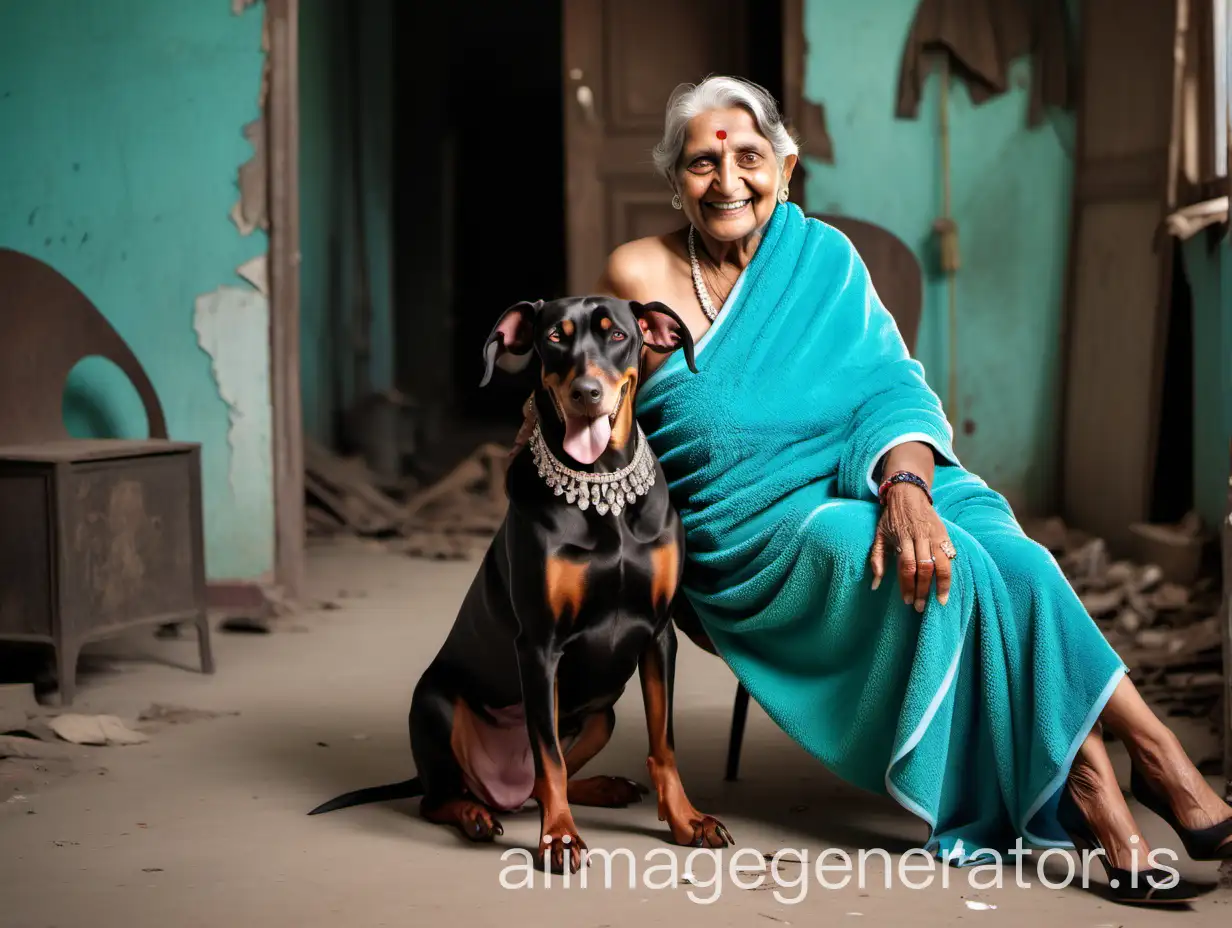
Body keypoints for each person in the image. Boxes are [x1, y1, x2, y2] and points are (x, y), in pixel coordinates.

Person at [509, 76, 1231, 905]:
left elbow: (892, 387)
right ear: (676, 180)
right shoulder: (638, 270)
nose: (728, 179)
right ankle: (1101, 797)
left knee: (1014, 560)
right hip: (748, 531)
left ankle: (1158, 759)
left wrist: (905, 487)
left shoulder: (824, 261)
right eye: (702, 162)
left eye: (749, 156)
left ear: (786, 168)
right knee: (942, 572)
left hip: (874, 470)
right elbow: (594, 383)